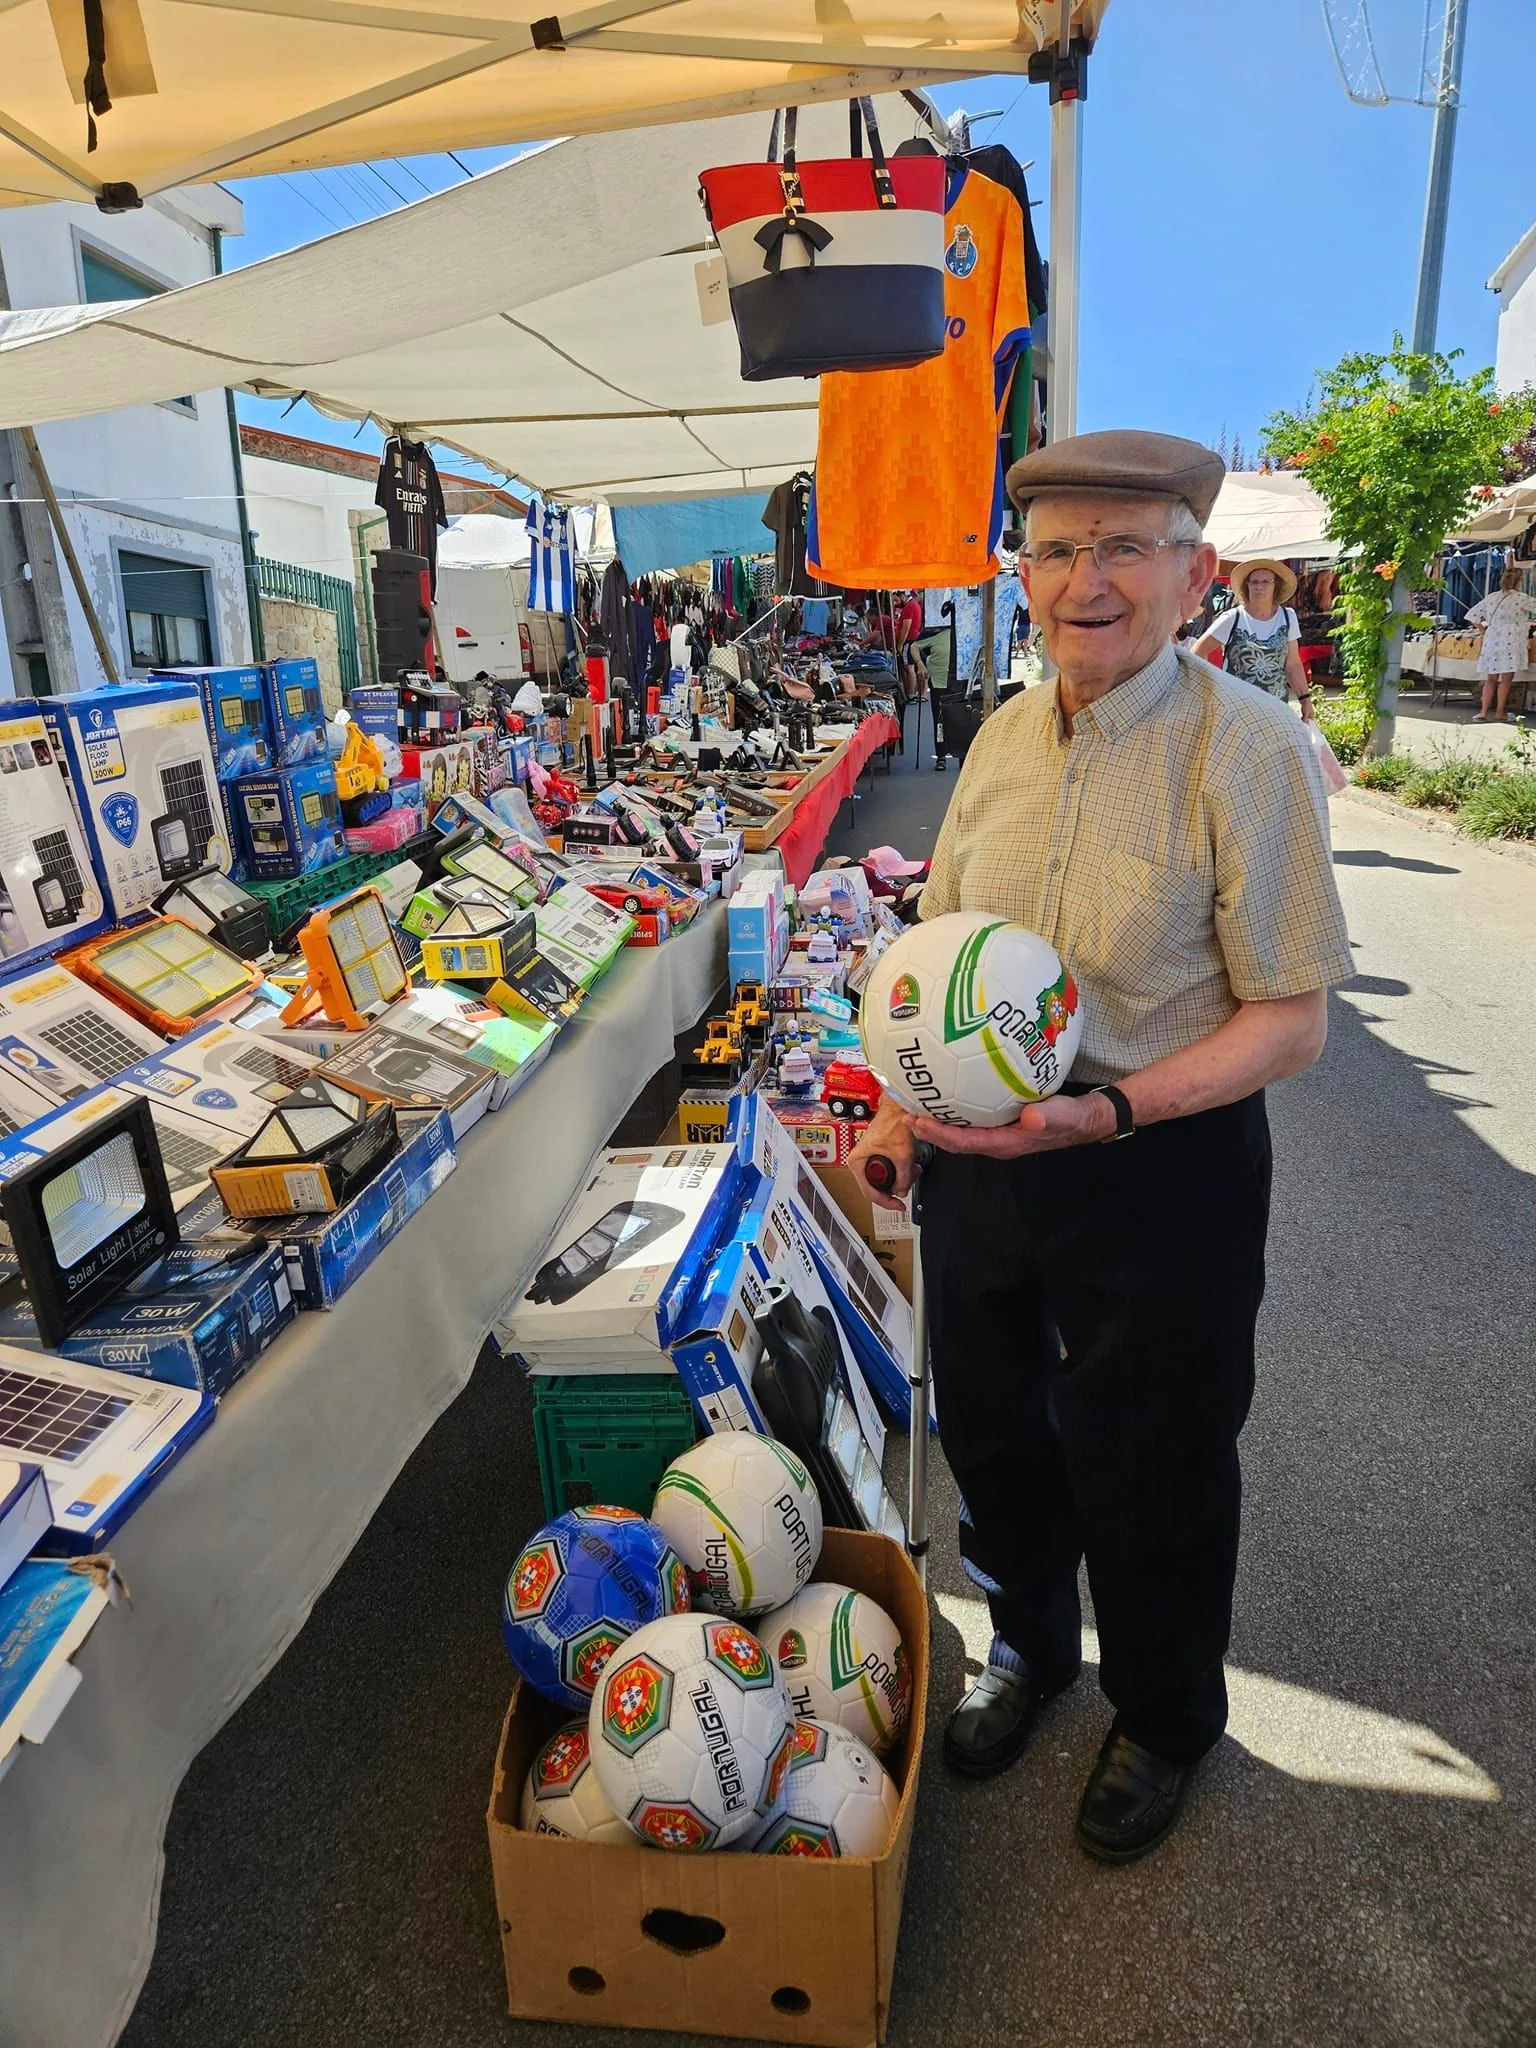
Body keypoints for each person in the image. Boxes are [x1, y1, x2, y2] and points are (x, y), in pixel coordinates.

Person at [849, 430, 1353, 1865]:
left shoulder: (1243, 748)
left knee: (1156, 1455)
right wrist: (899, 1114)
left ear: (1194, 574)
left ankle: (1166, 1713)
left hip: (1159, 1161)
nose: (1087, 581)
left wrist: (1108, 1110)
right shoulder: (1004, 733)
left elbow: (1293, 1021)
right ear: (1020, 574)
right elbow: (932, 947)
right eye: (1058, 549)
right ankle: (1031, 1647)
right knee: (998, 1434)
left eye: (1125, 548)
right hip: (986, 1170)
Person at [1192, 560, 1314, 719]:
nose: (1259, 586)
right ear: (1246, 586)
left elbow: (1293, 664)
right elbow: (1197, 651)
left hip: (1276, 708)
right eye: (1254, 582)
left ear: (1276, 586)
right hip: (1237, 709)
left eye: (1266, 582)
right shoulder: (1233, 618)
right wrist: (1213, 686)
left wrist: (1304, 699)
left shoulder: (1287, 617)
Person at [1464, 566, 1536, 722]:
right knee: (1506, 678)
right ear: (1519, 581)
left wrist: (1483, 631)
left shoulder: (1492, 597)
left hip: (1492, 637)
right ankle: (1500, 712)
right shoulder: (1521, 598)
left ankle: (1482, 712)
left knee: (1491, 678)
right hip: (1512, 639)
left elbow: (1472, 615)